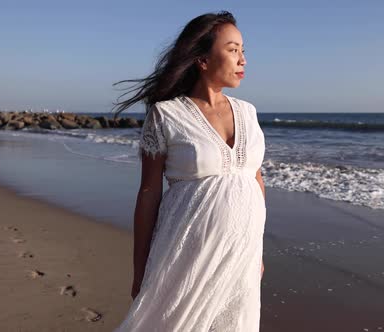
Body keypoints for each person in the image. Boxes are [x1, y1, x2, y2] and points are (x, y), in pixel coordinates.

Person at [111, 10, 267, 332]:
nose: (243, 60)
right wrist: (140, 269)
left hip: (241, 256)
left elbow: (255, 179)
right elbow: (149, 193)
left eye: (243, 50)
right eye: (233, 49)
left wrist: (257, 250)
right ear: (203, 59)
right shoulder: (166, 115)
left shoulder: (248, 113)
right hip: (186, 254)